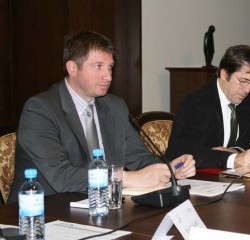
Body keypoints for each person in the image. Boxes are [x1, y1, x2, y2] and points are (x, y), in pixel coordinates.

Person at [8, 30, 195, 202]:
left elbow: (138, 157)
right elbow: (61, 177)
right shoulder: (40, 110)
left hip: (104, 207)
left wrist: (170, 168)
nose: (108, 77)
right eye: (98, 67)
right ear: (72, 68)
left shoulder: (114, 106)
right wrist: (126, 178)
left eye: (110, 67)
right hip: (46, 213)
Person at [166, 45, 250, 170]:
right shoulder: (196, 101)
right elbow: (187, 152)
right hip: (193, 178)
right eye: (243, 81)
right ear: (224, 74)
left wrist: (234, 152)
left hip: (231, 176)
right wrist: (232, 159)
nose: (247, 89)